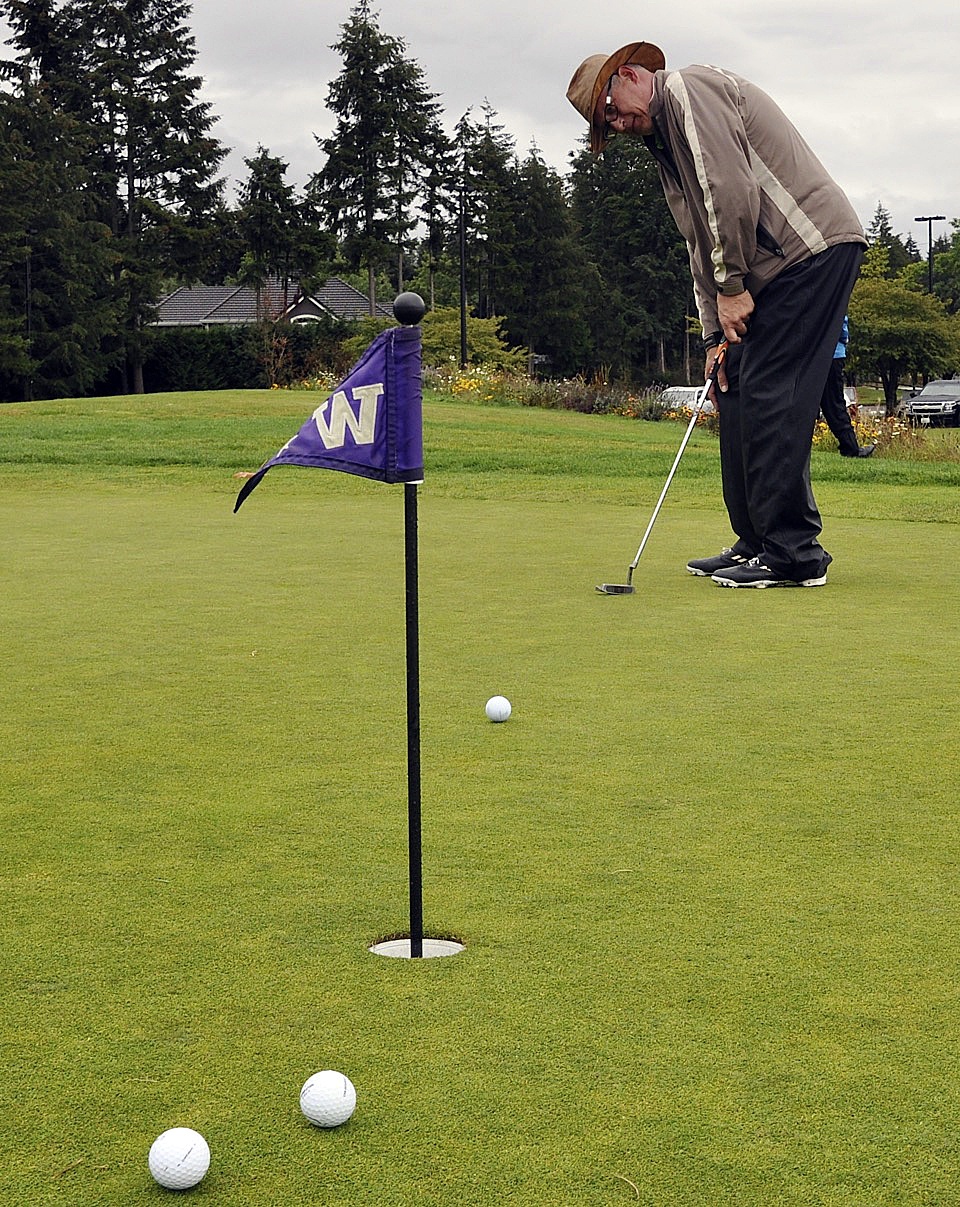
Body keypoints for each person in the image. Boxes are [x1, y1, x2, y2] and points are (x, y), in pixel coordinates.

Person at [567, 43, 867, 587]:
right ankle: (756, 541)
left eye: (610, 111)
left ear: (631, 75)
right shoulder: (666, 145)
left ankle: (794, 554)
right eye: (605, 126)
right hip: (768, 272)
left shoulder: (688, 89)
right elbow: (697, 239)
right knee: (732, 389)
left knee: (772, 391)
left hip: (811, 249)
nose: (617, 126)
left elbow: (728, 191)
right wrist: (712, 336)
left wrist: (730, 286)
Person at [819, 316, 874, 457]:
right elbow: (840, 321)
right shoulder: (833, 296)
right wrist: (845, 338)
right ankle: (850, 447)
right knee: (834, 403)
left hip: (812, 353)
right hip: (833, 354)